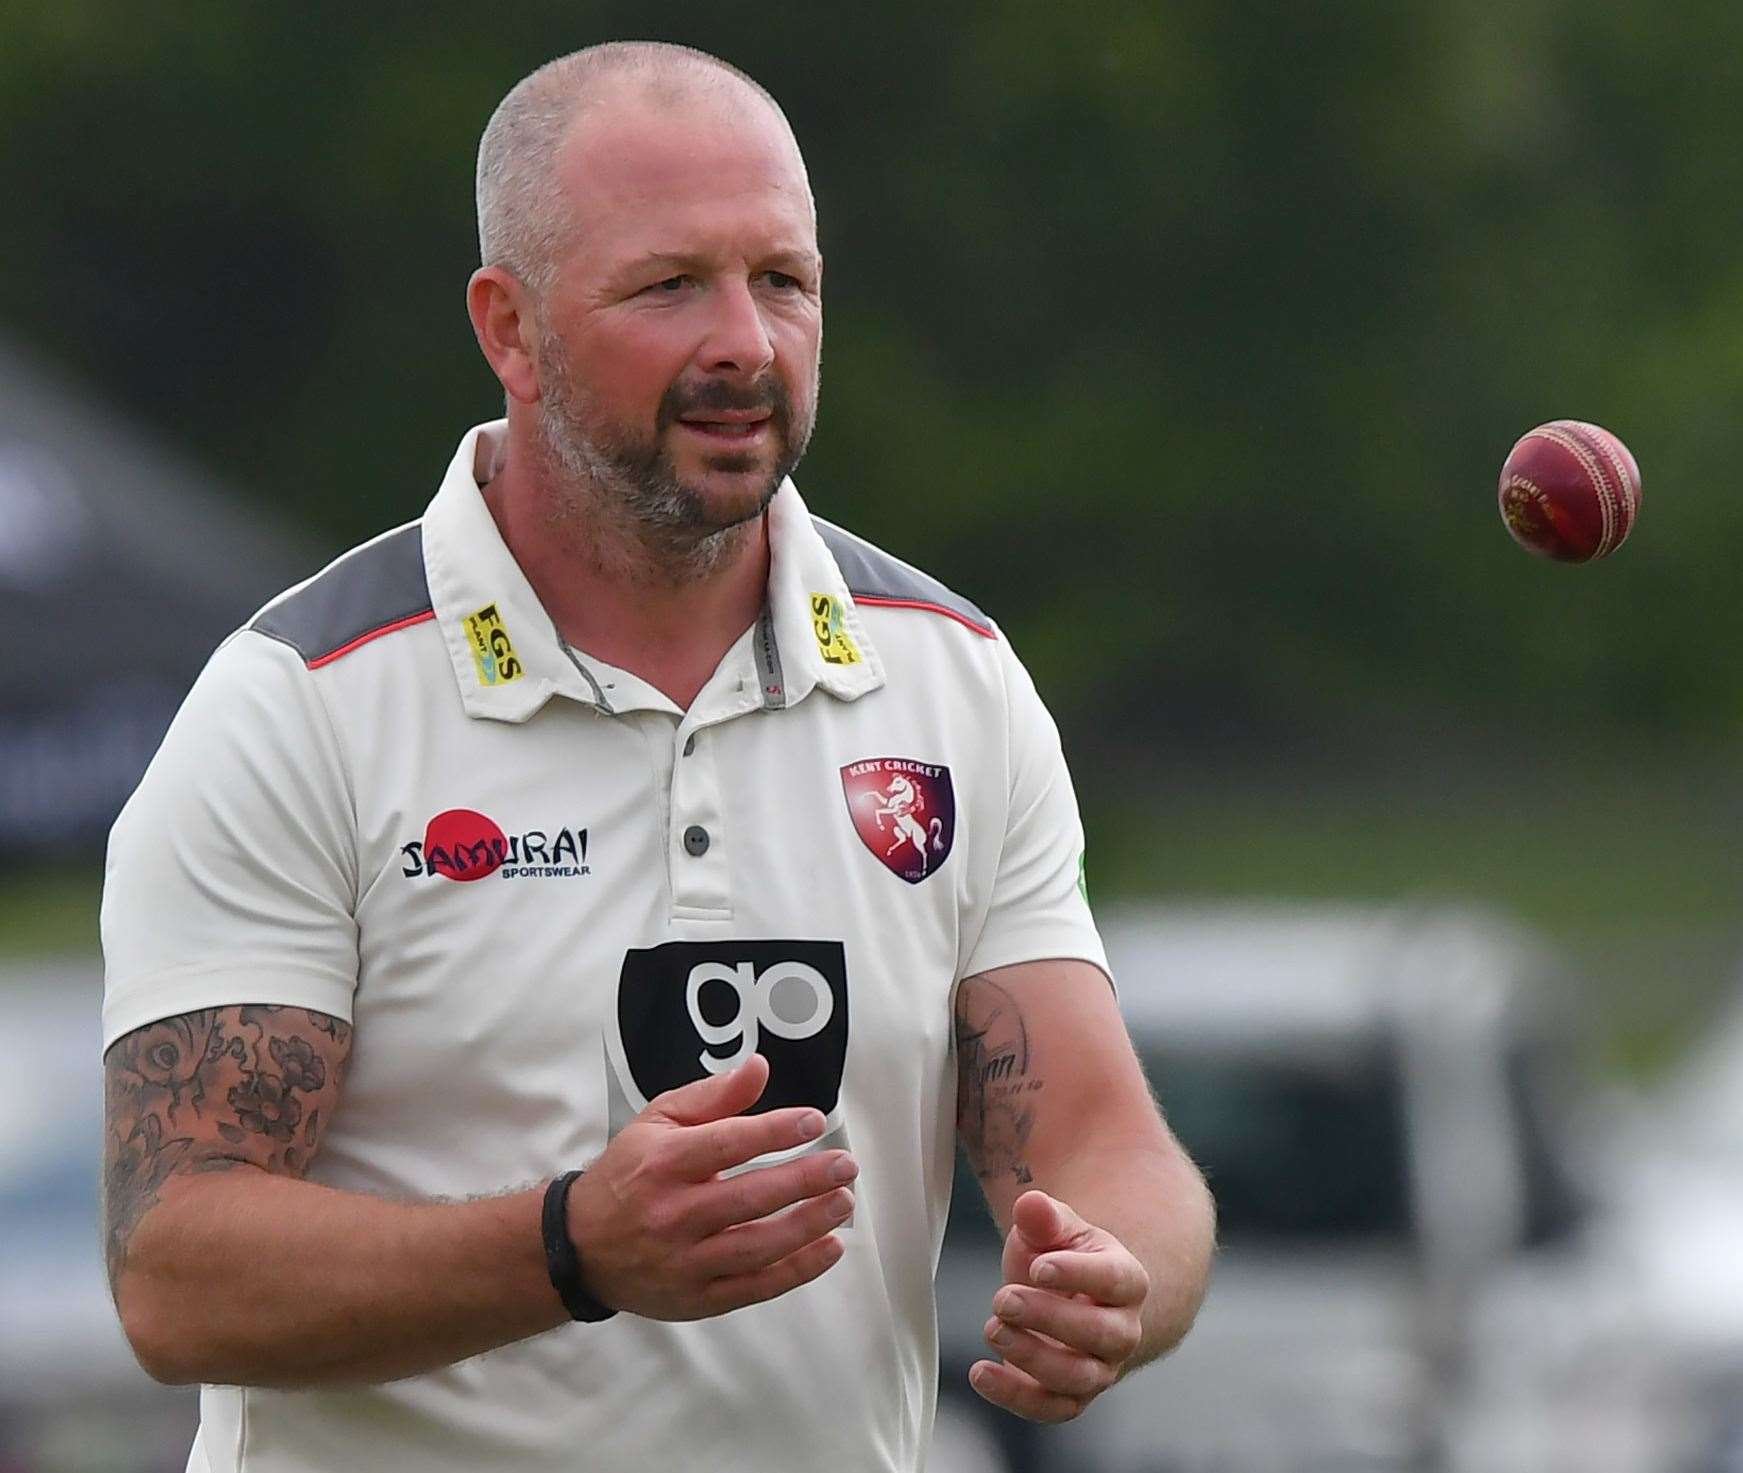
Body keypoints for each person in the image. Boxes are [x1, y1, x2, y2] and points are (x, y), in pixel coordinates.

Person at [100, 40, 1215, 1473]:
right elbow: (176, 1269)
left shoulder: (952, 678)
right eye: (670, 284)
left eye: (785, 280)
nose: (746, 340)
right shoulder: (301, 704)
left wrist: (1118, 1278)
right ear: (510, 326)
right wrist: (570, 1245)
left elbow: (1103, 1136)